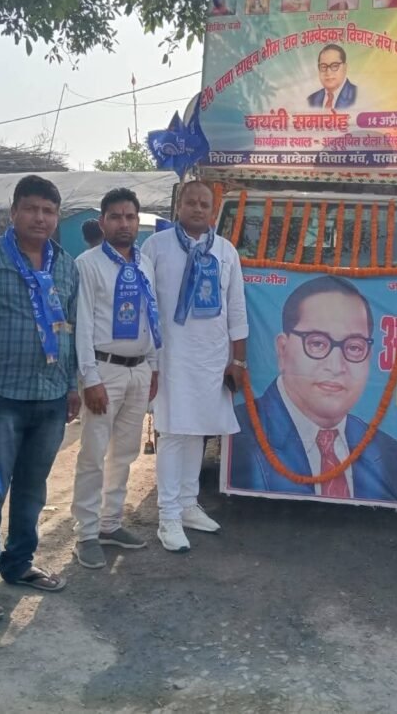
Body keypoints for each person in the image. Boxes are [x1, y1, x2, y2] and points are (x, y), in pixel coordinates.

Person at [0, 174, 80, 620]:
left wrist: (72, 385)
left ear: (57, 216)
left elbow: (72, 328)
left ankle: (19, 563)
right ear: (13, 212)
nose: (39, 218)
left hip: (50, 398)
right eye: (31, 208)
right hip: (0, 399)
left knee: (32, 491)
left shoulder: (66, 266)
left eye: (48, 211)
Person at [141, 181, 248, 553]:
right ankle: (168, 516)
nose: (198, 209)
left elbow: (237, 308)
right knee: (173, 432)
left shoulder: (225, 250)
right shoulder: (156, 247)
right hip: (170, 356)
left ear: (214, 210)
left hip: (211, 357)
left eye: (205, 203)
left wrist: (238, 359)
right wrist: (150, 360)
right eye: (191, 202)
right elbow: (145, 306)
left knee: (198, 431)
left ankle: (188, 505)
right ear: (179, 207)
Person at [231, 275, 397, 502]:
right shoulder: (240, 436)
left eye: (354, 347)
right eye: (317, 343)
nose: (336, 366)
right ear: (282, 350)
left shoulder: (388, 452)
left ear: (369, 358)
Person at [71, 188, 160, 569]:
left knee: (124, 452)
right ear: (102, 222)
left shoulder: (145, 263)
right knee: (93, 453)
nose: (124, 223)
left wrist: (153, 365)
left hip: (139, 368)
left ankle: (110, 523)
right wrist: (89, 378)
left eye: (130, 217)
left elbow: (151, 315)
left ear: (138, 222)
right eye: (116, 217)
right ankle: (86, 533)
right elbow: (82, 324)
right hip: (103, 369)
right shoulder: (87, 264)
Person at [306, 44, 358, 110]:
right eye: (323, 66)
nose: (328, 72)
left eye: (334, 66)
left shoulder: (358, 96)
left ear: (345, 68)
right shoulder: (311, 100)